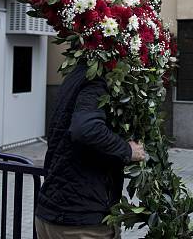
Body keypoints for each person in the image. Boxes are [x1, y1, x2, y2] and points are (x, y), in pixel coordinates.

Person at [35, 64, 146, 238]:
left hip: (54, 212)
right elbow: (85, 128)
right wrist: (127, 149)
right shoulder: (96, 81)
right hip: (81, 223)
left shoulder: (75, 76)